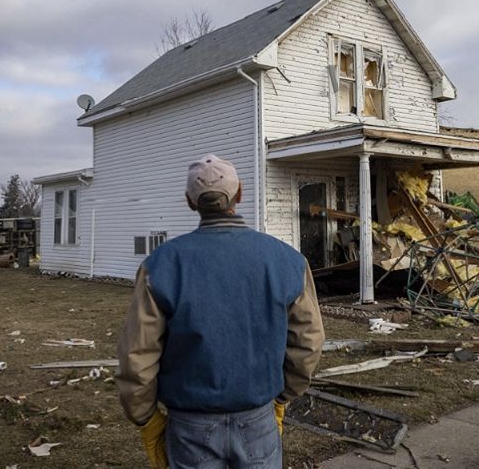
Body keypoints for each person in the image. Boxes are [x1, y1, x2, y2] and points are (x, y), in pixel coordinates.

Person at [116, 154, 324, 469]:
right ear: (239, 194)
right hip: (258, 421)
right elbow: (308, 341)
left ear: (189, 202)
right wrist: (283, 397)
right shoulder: (287, 261)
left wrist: (145, 417)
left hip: (189, 427)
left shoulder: (160, 265)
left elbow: (137, 354)